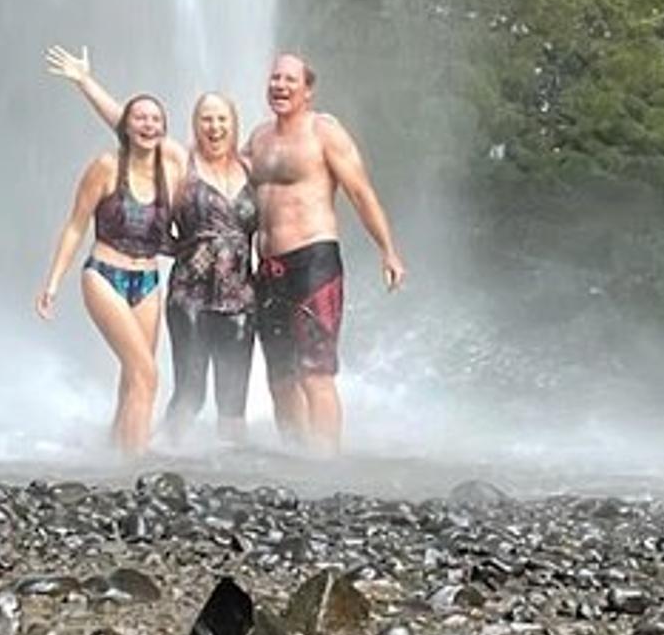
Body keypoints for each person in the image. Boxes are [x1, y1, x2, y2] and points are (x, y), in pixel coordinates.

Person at [46, 47, 258, 443]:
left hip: (214, 291)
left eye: (222, 119)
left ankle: (130, 455)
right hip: (169, 287)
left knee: (163, 384)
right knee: (165, 382)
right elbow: (131, 127)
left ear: (234, 123)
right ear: (195, 126)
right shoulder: (180, 161)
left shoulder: (249, 166)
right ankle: (141, 463)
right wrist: (86, 83)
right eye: (206, 120)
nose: (214, 127)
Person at [247, 51, 405, 454]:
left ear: (308, 91)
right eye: (275, 78)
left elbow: (360, 191)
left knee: (315, 372)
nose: (279, 86)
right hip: (266, 268)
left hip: (312, 261)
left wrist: (387, 250)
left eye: (289, 80)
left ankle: (325, 463)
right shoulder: (259, 137)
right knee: (280, 377)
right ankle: (296, 458)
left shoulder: (324, 132)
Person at [35, 90, 180, 456]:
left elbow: (179, 230)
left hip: (148, 280)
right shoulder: (106, 167)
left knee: (134, 374)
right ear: (125, 126)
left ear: (164, 127)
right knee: (148, 375)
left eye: (155, 119)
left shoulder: (172, 171)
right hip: (104, 274)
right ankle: (134, 467)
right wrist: (52, 283)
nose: (148, 125)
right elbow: (75, 226)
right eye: (140, 118)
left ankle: (117, 452)